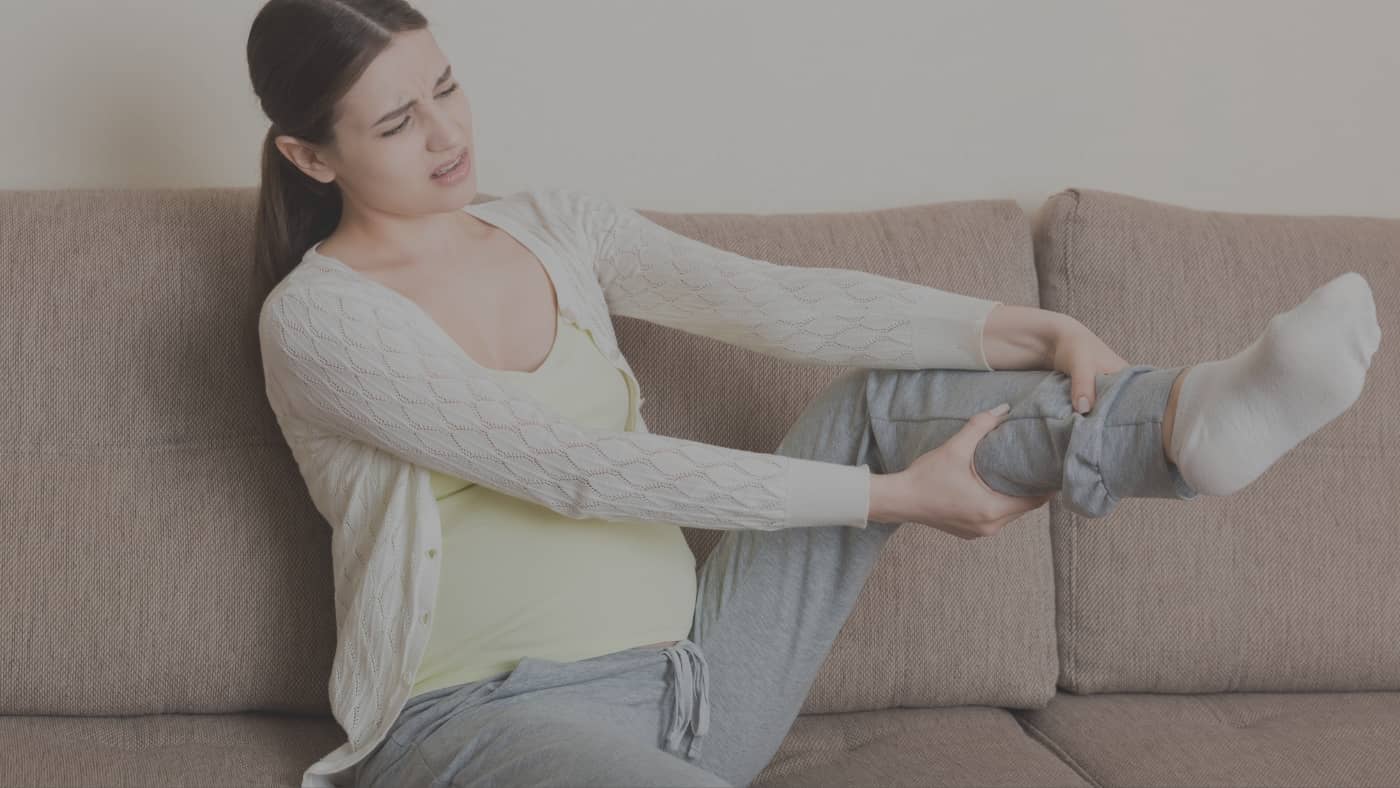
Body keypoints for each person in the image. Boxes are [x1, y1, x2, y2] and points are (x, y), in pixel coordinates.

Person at [246, 2, 1383, 787]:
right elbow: (578, 471)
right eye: (397, 122)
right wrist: (890, 498)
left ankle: (1182, 424)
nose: (448, 134)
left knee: (881, 396)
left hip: (700, 677)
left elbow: (769, 300)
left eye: (445, 85)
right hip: (484, 724)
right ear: (310, 156)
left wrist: (1014, 324)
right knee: (865, 461)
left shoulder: (552, 225)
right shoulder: (321, 319)